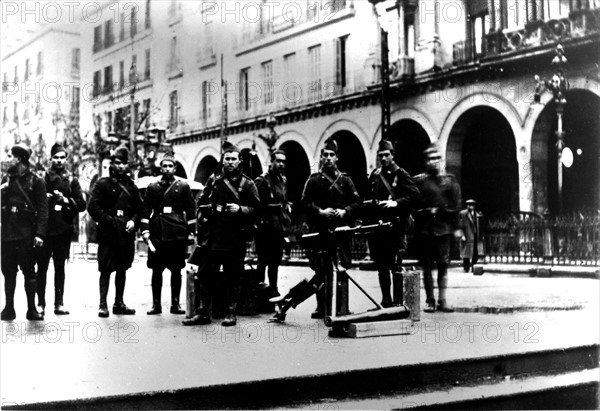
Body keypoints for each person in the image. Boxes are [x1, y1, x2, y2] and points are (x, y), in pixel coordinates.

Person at [270, 137, 361, 322]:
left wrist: (345, 212)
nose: (328, 158)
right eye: (325, 155)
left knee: (341, 268)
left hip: (341, 232)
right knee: (322, 271)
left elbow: (357, 203)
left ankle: (341, 307)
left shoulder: (345, 180)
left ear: (337, 158)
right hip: (320, 232)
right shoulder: (314, 180)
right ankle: (323, 307)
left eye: (331, 155)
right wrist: (321, 212)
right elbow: (303, 204)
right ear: (321, 157)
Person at [183, 141, 259, 327]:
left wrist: (240, 209)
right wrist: (206, 213)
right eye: (227, 159)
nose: (230, 162)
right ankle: (203, 313)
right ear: (223, 160)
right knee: (206, 274)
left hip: (235, 236)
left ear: (240, 161)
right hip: (213, 236)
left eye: (234, 159)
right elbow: (201, 201)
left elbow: (257, 209)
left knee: (234, 275)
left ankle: (231, 313)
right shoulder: (213, 180)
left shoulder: (247, 184)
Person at [88, 146, 143, 318]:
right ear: (112, 164)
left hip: (126, 233)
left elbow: (140, 209)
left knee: (122, 268)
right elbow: (93, 206)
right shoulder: (102, 184)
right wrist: (108, 221)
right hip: (108, 232)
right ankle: (102, 305)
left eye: (124, 163)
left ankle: (119, 303)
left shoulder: (131, 187)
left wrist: (134, 222)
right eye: (118, 163)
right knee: (105, 269)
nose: (121, 166)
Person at [365, 139, 420, 307]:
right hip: (378, 228)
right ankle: (386, 300)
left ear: (393, 155)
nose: (383, 159)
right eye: (380, 155)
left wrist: (396, 203)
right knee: (381, 266)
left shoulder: (401, 174)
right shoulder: (375, 175)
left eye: (386, 155)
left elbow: (416, 196)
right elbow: (367, 199)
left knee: (395, 265)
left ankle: (397, 302)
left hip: (395, 228)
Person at [141, 154, 196, 315]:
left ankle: (175, 304)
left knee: (176, 270)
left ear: (175, 168)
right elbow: (145, 210)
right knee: (156, 271)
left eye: (170, 166)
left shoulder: (183, 186)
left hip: (177, 232)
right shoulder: (153, 187)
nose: (167, 169)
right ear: (160, 168)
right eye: (164, 166)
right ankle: (156, 305)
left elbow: (191, 210)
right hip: (158, 232)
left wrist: (191, 232)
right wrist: (145, 230)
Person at [36, 143, 86, 316]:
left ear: (66, 159)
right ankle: (40, 304)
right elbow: (34, 200)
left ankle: (59, 303)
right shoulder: (42, 179)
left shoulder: (72, 180)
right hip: (45, 230)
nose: (58, 161)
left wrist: (65, 200)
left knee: (60, 268)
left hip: (63, 231)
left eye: (62, 157)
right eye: (55, 157)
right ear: (50, 159)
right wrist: (46, 197)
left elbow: (81, 204)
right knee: (41, 268)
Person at [1, 143, 48, 321]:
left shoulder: (37, 182)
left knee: (29, 271)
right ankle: (9, 308)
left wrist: (39, 234)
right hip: (7, 233)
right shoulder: (7, 180)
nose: (8, 159)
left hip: (27, 234)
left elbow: (43, 210)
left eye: (10, 156)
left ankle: (32, 309)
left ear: (20, 159)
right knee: (8, 271)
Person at [413, 144, 462, 313]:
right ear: (426, 161)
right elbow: (413, 205)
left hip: (444, 230)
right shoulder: (419, 181)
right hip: (424, 230)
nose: (433, 162)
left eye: (436, 158)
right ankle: (430, 300)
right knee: (427, 266)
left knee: (443, 265)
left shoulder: (449, 181)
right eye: (430, 159)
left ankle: (442, 300)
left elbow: (456, 206)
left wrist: (455, 226)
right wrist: (425, 212)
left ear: (440, 160)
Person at [254, 149, 291, 297]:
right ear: (272, 162)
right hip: (265, 228)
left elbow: (284, 200)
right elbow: (255, 204)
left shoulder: (283, 180)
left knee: (275, 261)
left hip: (278, 227)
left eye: (283, 162)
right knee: (263, 260)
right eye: (278, 161)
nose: (281, 164)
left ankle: (274, 289)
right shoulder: (262, 180)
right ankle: (258, 291)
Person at [459, 199, 483, 273]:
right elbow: (459, 226)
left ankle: (473, 267)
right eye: (469, 205)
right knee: (466, 253)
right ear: (467, 205)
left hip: (475, 235)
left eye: (472, 205)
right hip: (467, 235)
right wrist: (462, 235)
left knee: (475, 252)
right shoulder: (463, 214)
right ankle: (466, 268)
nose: (471, 206)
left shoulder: (476, 214)